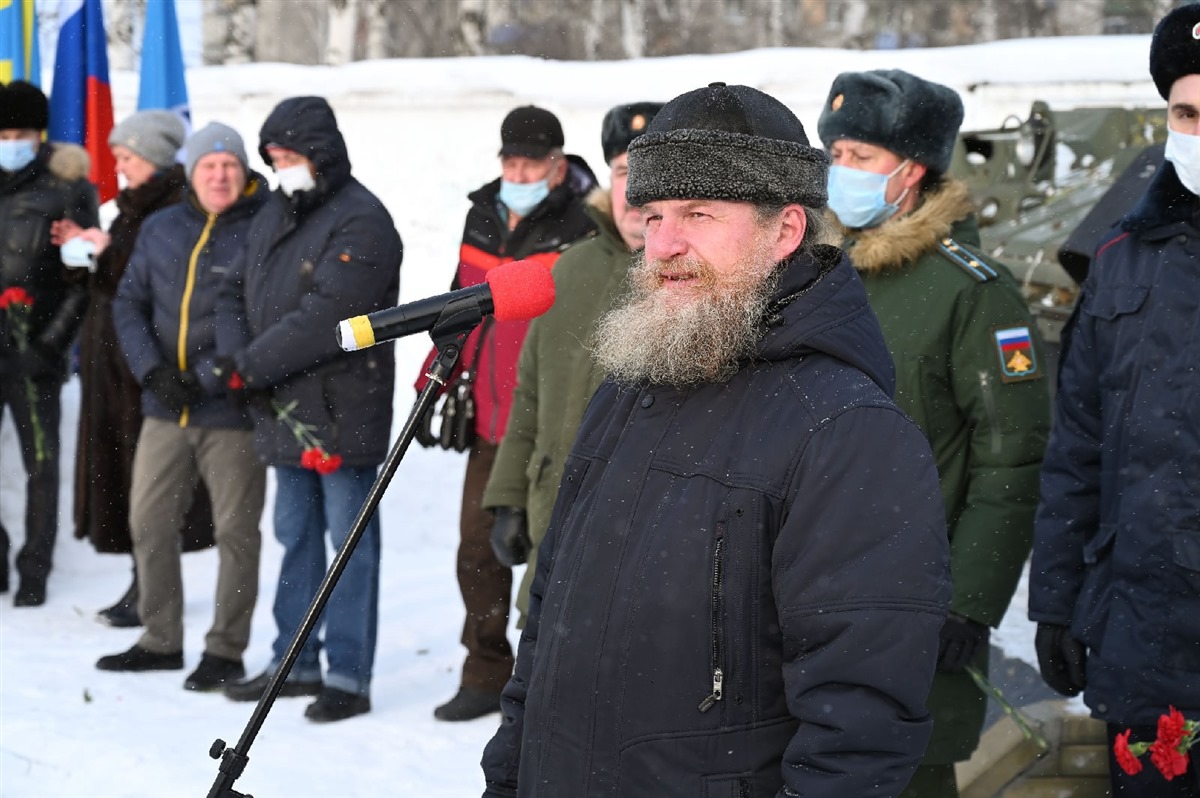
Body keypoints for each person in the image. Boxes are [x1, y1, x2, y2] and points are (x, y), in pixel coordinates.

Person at [480, 82, 951, 797]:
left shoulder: (846, 430)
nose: (662, 243)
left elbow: (858, 727)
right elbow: (547, 633)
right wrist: (508, 777)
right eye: (655, 213)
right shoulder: (628, 390)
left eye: (699, 213)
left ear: (785, 231)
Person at [816, 70, 1052, 798]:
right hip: (806, 598)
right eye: (833, 155)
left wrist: (971, 602)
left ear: (910, 171)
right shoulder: (813, 273)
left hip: (910, 613)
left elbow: (1012, 459)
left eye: (859, 157)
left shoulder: (971, 292)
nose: (839, 174)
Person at [1029, 6, 1200, 795]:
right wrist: (1056, 604)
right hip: (1146, 645)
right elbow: (1076, 452)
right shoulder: (1121, 262)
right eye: (1187, 113)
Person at [216, 97, 402, 723]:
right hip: (283, 405)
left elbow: (328, 316)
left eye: (289, 157)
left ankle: (348, 675)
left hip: (341, 408)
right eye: (272, 157)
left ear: (319, 155)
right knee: (295, 537)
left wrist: (250, 364)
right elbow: (231, 286)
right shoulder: (276, 209)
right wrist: (232, 353)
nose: (279, 167)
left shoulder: (363, 222)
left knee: (348, 545)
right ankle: (294, 661)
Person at [420, 105, 597, 722]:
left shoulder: (586, 224)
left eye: (532, 161)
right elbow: (458, 303)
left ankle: (553, 679)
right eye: (510, 160)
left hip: (557, 416)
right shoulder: (483, 213)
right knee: (478, 550)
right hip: (494, 418)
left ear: (557, 165)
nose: (518, 171)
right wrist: (432, 385)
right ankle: (486, 671)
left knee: (558, 552)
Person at [96, 122, 269, 693]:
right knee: (149, 521)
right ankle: (160, 638)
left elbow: (267, 316)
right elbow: (129, 302)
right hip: (165, 407)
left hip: (232, 412)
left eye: (230, 166)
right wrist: (153, 372)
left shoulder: (265, 228)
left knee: (237, 533)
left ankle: (226, 649)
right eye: (208, 166)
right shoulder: (162, 226)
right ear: (191, 173)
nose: (220, 175)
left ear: (243, 172)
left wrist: (211, 375)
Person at [482, 101, 663, 630]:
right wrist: (510, 496)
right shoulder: (571, 267)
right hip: (551, 527)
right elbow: (531, 394)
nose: (635, 189)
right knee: (534, 690)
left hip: (638, 555)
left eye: (651, 174)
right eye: (626, 172)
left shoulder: (691, 283)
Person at [52, 109, 216, 629]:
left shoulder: (169, 207)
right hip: (118, 369)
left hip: (144, 370)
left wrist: (109, 249)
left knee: (150, 486)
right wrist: (94, 250)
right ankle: (142, 581)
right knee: (129, 480)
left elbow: (154, 280)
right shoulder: (136, 207)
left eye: (126, 158)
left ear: (152, 157)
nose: (119, 167)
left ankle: (150, 588)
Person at [0, 80, 99, 607]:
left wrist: (51, 346)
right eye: (3, 132)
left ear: (39, 136)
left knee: (42, 463)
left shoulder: (67, 189)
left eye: (21, 133)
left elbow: (81, 282)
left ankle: (35, 568)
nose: (10, 141)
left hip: (36, 352)